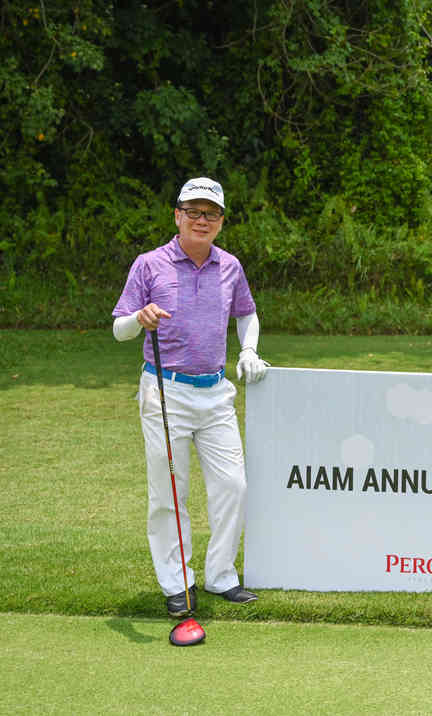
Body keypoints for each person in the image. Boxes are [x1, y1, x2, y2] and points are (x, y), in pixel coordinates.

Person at [112, 177, 269, 617]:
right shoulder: (149, 264)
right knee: (168, 491)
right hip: (165, 391)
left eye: (211, 213)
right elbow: (119, 328)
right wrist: (139, 318)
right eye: (194, 211)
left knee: (233, 486)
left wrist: (249, 350)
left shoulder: (230, 266)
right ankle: (177, 581)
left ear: (221, 221)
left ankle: (220, 574)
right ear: (177, 216)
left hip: (216, 393)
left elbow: (247, 313)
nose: (203, 220)